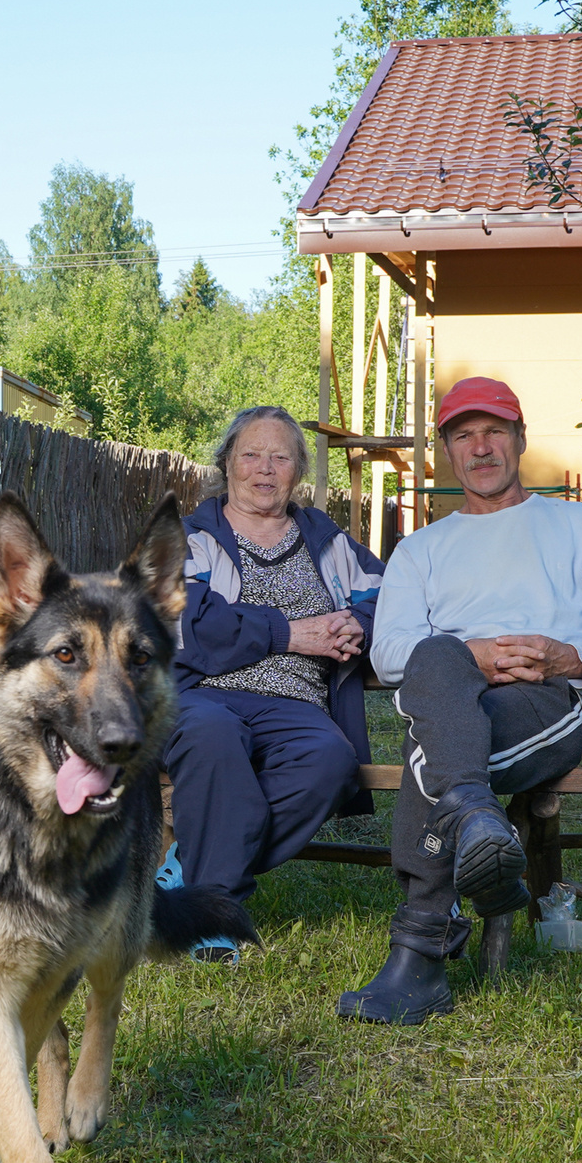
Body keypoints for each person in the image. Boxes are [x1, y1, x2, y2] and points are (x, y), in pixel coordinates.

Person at [338, 377, 582, 1024]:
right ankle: (478, 825)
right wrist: (472, 654)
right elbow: (391, 650)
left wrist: (569, 657)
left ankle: (419, 955)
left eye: (494, 432)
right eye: (463, 435)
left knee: (434, 763)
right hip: (452, 696)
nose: (480, 448)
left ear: (519, 439)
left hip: (543, 701)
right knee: (433, 659)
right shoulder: (421, 549)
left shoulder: (579, 525)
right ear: (447, 451)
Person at [162, 406, 386, 956]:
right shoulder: (191, 538)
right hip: (202, 694)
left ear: (298, 471)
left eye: (281, 457)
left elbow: (393, 596)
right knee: (212, 735)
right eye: (251, 455)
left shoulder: (329, 544)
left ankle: (191, 866)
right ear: (227, 465)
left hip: (297, 705)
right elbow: (187, 622)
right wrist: (289, 634)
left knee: (331, 763)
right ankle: (215, 911)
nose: (265, 469)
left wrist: (358, 622)